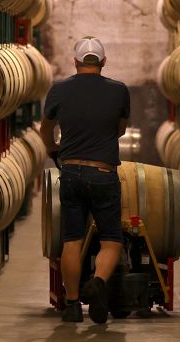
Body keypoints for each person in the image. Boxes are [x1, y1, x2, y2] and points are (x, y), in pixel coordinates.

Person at [40, 36, 130, 324]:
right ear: (103, 62)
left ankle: (72, 304)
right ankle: (99, 282)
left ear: (75, 62)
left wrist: (53, 147)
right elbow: (121, 129)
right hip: (103, 172)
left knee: (72, 239)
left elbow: (46, 128)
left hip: (71, 171)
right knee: (112, 240)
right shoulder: (119, 91)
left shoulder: (59, 90)